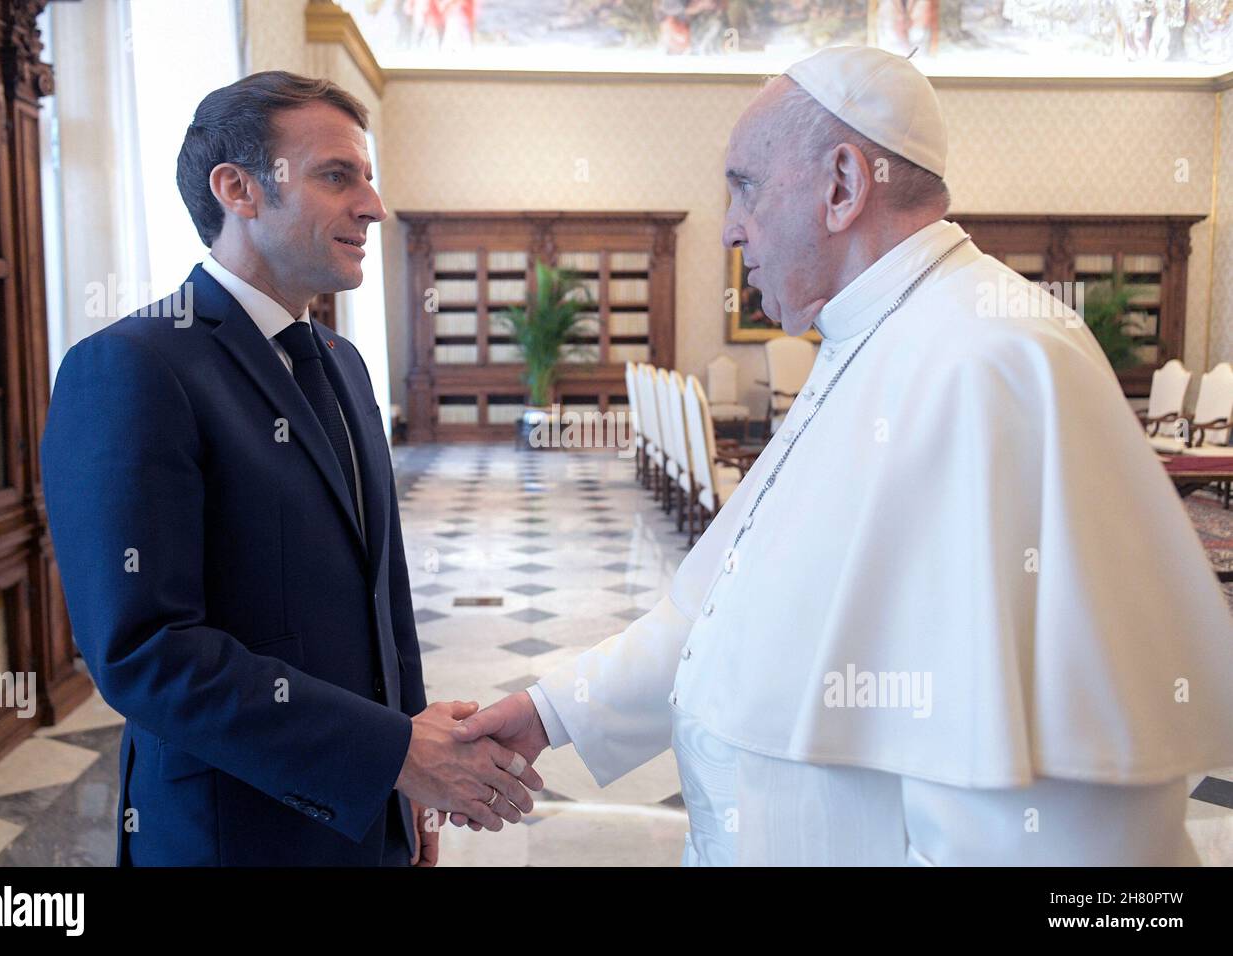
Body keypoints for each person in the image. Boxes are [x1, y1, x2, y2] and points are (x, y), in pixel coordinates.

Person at [451, 46, 1233, 865]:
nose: (729, 225)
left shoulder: (995, 359)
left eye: (744, 185)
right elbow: (724, 607)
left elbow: (1050, 819)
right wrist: (553, 709)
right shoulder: (869, 336)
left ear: (843, 186)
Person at [42, 71, 538, 867]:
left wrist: (408, 777)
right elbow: (145, 652)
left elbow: (384, 598)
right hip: (236, 833)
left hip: (367, 814)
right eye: (337, 176)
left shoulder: (341, 363)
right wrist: (389, 755)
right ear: (238, 189)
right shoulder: (131, 368)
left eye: (368, 179)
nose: (373, 207)